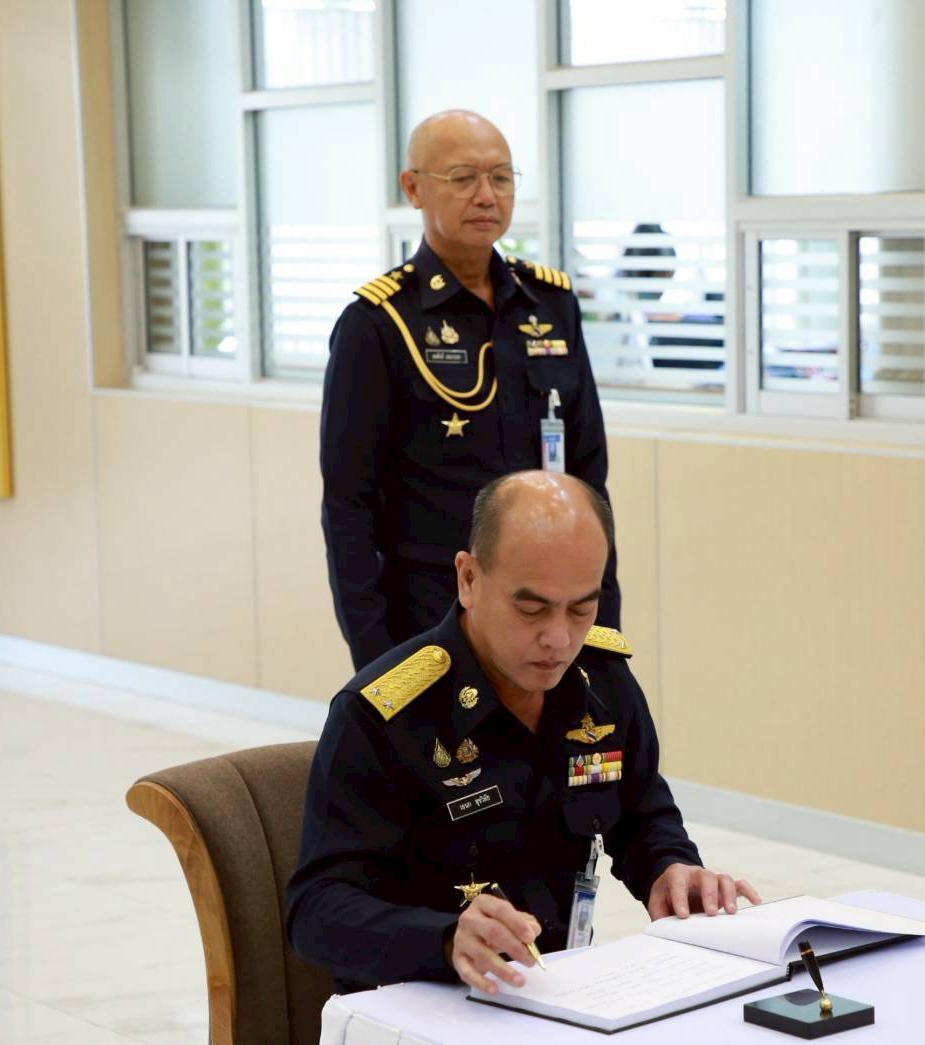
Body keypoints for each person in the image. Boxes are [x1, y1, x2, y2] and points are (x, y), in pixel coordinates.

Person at [287, 471, 759, 994]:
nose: (558, 639)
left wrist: (670, 868)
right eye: (531, 609)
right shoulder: (386, 716)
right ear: (468, 579)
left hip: (555, 993)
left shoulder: (602, 680)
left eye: (581, 608)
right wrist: (444, 940)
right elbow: (315, 912)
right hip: (422, 1002)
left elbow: (642, 811)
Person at [320, 110, 618, 671]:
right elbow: (347, 505)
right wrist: (376, 658)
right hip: (430, 613)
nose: (486, 195)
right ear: (413, 188)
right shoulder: (379, 322)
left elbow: (588, 480)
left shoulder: (550, 305)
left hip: (549, 613)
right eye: (463, 178)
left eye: (501, 178)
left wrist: (601, 629)